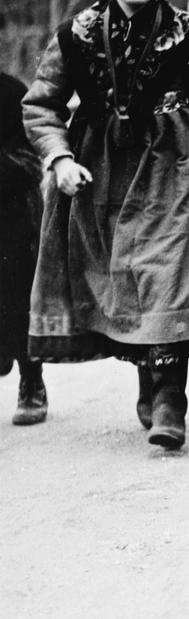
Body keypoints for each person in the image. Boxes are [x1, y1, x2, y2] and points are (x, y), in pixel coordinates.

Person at [22, 0, 189, 449]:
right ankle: (149, 380)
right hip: (101, 170)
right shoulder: (75, 34)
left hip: (176, 166)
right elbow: (42, 104)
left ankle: (171, 397)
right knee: (125, 277)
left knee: (168, 272)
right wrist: (58, 158)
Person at [1, 72, 46, 425]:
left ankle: (31, 381)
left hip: (11, 213)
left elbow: (30, 163)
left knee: (17, 296)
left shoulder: (11, 92)